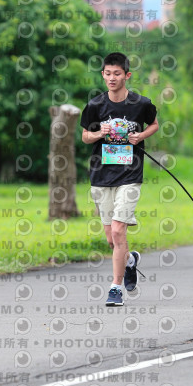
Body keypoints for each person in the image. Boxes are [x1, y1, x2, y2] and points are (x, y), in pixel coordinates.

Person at [80, 52, 159, 306]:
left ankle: (115, 287)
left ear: (127, 75)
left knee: (118, 229)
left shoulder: (140, 103)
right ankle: (131, 260)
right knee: (111, 240)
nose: (112, 78)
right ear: (102, 75)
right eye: (108, 73)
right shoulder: (95, 105)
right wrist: (98, 133)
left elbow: (154, 124)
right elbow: (84, 136)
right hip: (101, 175)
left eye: (117, 73)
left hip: (130, 174)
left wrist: (140, 136)